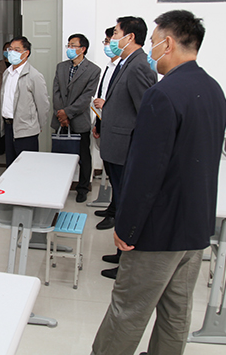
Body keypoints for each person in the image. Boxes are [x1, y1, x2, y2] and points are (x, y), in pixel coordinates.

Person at [60, 10, 226, 355]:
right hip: (196, 225)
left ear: (168, 43)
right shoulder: (214, 91)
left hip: (158, 229)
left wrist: (128, 227)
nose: (151, 49)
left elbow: (146, 170)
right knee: (176, 308)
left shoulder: (162, 95)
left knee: (129, 304)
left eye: (153, 41)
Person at [98, 16, 157, 280]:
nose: (112, 39)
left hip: (126, 148)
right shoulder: (127, 63)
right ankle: (121, 255)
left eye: (115, 33)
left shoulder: (139, 66)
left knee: (126, 203)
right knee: (121, 200)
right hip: (116, 145)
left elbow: (147, 113)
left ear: (129, 37)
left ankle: (127, 262)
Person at [51, 33, 101, 203]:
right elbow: (56, 92)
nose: (70, 49)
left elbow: (86, 97)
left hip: (79, 120)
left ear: (83, 49)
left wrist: (68, 113)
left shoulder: (93, 70)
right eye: (69, 45)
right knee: (59, 157)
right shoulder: (61, 67)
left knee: (83, 157)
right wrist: (61, 114)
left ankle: (83, 188)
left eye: (73, 46)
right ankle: (58, 186)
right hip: (60, 120)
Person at [0, 36, 50, 167]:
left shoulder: (34, 76)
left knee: (27, 168)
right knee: (11, 167)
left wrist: (37, 126)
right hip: (9, 127)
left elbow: (43, 105)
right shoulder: (7, 73)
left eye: (17, 50)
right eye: (10, 49)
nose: (12, 52)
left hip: (26, 130)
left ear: (26, 53)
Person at [92, 27, 122, 229]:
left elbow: (119, 103)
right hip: (105, 124)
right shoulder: (110, 67)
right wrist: (98, 124)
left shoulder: (125, 68)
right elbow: (102, 96)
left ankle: (117, 214)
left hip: (118, 131)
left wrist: (106, 106)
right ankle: (112, 207)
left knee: (119, 177)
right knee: (111, 172)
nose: (107, 45)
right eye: (105, 41)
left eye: (110, 41)